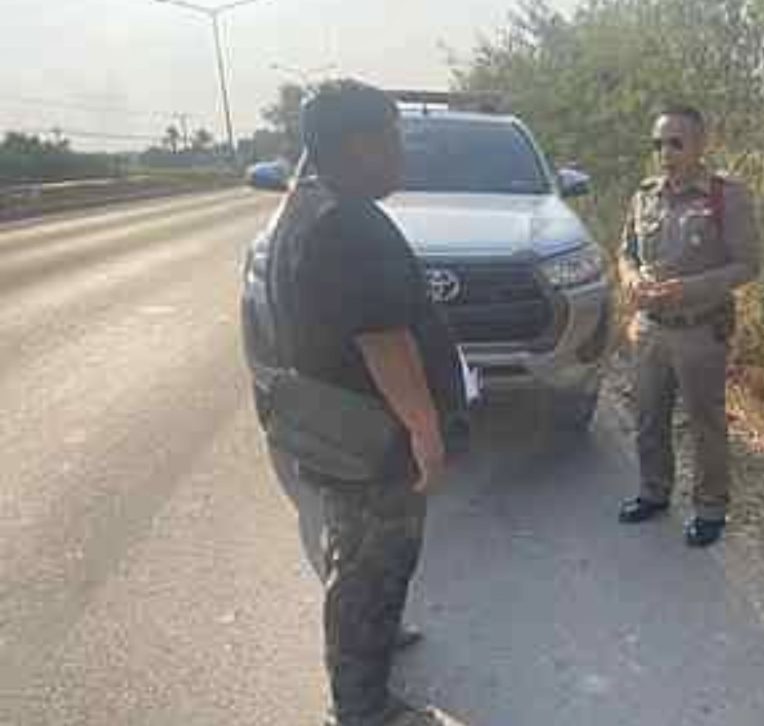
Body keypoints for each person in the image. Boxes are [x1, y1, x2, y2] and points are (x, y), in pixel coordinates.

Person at [259, 80, 465, 726]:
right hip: (372, 434)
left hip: (337, 424)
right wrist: (426, 432)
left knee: (360, 556)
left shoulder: (304, 205)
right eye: (391, 137)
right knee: (369, 566)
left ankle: (377, 632)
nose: (401, 151)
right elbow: (384, 343)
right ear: (356, 146)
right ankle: (362, 708)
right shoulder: (348, 224)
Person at [616, 105, 760, 547]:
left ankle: (710, 509)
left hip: (699, 329)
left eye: (676, 143)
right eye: (658, 144)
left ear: (700, 145)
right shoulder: (645, 195)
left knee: (705, 423)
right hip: (650, 327)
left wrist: (688, 289)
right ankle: (653, 491)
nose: (665, 153)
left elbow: (747, 265)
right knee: (648, 416)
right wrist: (631, 278)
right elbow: (626, 252)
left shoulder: (725, 196)